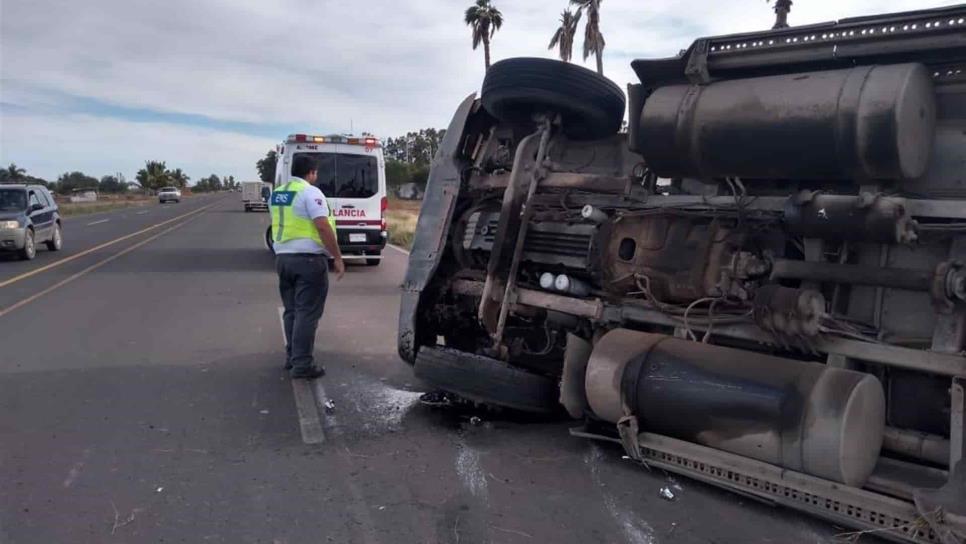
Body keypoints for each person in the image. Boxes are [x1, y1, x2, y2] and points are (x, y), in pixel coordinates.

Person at [270, 155, 345, 379]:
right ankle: (302, 364)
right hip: (309, 261)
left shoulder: (278, 194)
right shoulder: (310, 192)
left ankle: (292, 357)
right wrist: (338, 257)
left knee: (292, 310)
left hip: (283, 258)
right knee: (307, 313)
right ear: (311, 172)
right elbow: (322, 226)